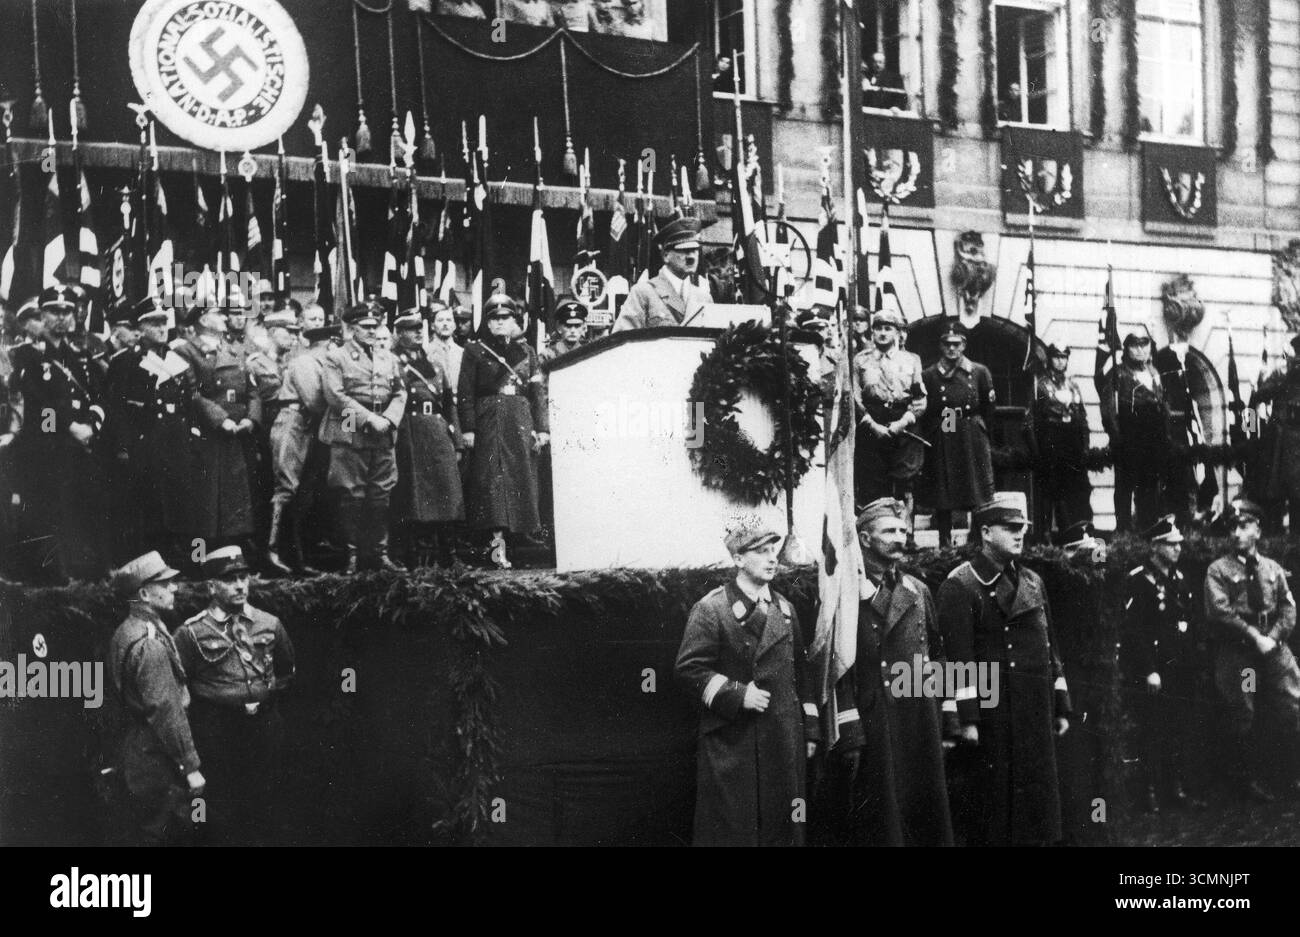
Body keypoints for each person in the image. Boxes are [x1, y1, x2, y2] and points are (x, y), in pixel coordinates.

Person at [674, 520, 820, 846]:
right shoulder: (712, 608)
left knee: (783, 828)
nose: (772, 558)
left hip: (783, 740)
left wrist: (809, 730)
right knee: (735, 830)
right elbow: (689, 669)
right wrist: (738, 695)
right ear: (738, 559)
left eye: (773, 551)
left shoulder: (785, 609)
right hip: (734, 743)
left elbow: (802, 673)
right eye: (761, 551)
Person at [936, 494, 1071, 845]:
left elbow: (1050, 647)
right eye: (1009, 528)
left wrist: (1060, 703)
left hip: (1035, 711)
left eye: (1021, 527)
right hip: (994, 717)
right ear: (985, 533)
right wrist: (967, 720)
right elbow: (957, 660)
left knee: (1036, 811)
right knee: (997, 813)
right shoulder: (961, 585)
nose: (1019, 534)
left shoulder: (1032, 581)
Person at [829, 498, 955, 846]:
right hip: (876, 720)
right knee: (882, 821)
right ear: (865, 538)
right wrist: (849, 729)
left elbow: (938, 655)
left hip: (920, 717)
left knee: (924, 815)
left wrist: (948, 716)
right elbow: (836, 668)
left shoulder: (917, 590)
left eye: (902, 530)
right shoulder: (845, 593)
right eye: (889, 531)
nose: (900, 537)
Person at [175, 546, 294, 845]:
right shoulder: (191, 633)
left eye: (243, 577)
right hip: (218, 729)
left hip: (264, 725)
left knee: (267, 798)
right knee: (223, 803)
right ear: (211, 587)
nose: (240, 585)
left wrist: (262, 700)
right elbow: (179, 685)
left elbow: (285, 672)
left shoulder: (270, 624)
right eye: (230, 580)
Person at [1204, 499, 1300, 802]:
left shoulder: (1272, 568)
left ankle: (1291, 776)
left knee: (1292, 703)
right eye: (1232, 527)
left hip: (1273, 648)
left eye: (1244, 526)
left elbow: (1288, 607)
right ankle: (1245, 783)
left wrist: (1273, 637)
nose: (1236, 533)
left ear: (1257, 530)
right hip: (1241, 653)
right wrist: (1254, 636)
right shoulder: (1218, 570)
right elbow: (1220, 611)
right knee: (1243, 711)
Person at [7, 284, 105, 581]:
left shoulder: (79, 357)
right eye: (54, 311)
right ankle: (52, 573)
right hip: (45, 445)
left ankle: (81, 569)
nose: (61, 318)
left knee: (79, 507)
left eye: (67, 311)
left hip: (78, 445)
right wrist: (70, 427)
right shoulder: (28, 355)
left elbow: (95, 396)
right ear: (43, 315)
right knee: (48, 510)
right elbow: (38, 402)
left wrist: (90, 425)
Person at [107, 550, 204, 845]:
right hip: (157, 754)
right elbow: (165, 710)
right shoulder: (150, 645)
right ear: (144, 594)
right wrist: (190, 767)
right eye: (165, 583)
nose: (174, 588)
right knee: (165, 830)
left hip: (137, 749)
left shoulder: (126, 631)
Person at [1119, 515, 1206, 813]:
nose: (1177, 549)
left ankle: (1175, 787)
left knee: (1177, 729)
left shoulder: (1180, 578)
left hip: (1180, 667)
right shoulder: (1139, 579)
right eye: (1170, 544)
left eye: (1178, 544)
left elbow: (1190, 622)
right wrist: (1149, 670)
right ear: (1155, 546)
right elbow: (1134, 631)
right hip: (1155, 670)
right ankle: (1150, 791)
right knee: (1152, 731)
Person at [102, 299, 196, 566]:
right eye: (154, 323)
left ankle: (176, 555)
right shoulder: (125, 362)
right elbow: (117, 408)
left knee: (177, 498)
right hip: (145, 442)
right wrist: (123, 446)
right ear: (140, 328)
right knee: (149, 502)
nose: (162, 328)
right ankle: (149, 558)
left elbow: (187, 402)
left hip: (175, 440)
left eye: (164, 322)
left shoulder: (176, 360)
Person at [458, 295, 548, 569]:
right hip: (490, 421)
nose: (499, 323)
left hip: (519, 421)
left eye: (505, 318)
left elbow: (537, 393)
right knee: (494, 485)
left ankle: (520, 547)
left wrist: (542, 428)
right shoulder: (475, 350)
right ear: (487, 323)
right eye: (494, 318)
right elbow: (465, 392)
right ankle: (497, 551)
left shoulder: (527, 351)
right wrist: (469, 429)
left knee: (520, 481)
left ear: (514, 321)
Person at [320, 301, 407, 572]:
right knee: (351, 492)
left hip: (383, 428)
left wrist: (389, 419)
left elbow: (400, 392)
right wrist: (369, 419)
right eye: (365, 326)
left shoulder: (388, 357)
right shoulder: (337, 357)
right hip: (349, 422)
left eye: (375, 326)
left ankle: (379, 553)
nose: (371, 331)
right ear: (352, 328)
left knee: (381, 493)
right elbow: (336, 396)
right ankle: (352, 555)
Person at [175, 307, 261, 559]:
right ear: (203, 319)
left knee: (236, 497)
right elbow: (191, 393)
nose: (224, 318)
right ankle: (201, 557)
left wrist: (251, 419)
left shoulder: (234, 349)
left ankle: (233, 553)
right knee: (208, 500)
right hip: (210, 435)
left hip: (239, 433)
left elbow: (252, 389)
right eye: (218, 314)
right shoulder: (186, 351)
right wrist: (220, 419)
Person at [392, 309, 464, 566]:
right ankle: (420, 555)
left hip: (438, 430)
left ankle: (448, 554)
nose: (418, 333)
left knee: (447, 490)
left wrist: (457, 441)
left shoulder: (434, 363)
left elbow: (449, 404)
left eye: (419, 329)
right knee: (416, 496)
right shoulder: (393, 363)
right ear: (399, 333)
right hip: (410, 432)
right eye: (411, 330)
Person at [267, 322, 336, 575]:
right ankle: (273, 551)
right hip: (294, 423)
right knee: (286, 487)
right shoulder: (305, 362)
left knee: (304, 491)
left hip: (311, 428)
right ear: (329, 343)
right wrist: (345, 420)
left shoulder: (322, 364)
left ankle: (297, 557)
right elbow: (315, 401)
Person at [920, 320, 995, 547]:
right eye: (947, 344)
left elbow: (989, 407)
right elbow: (927, 411)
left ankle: (977, 540)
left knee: (975, 484)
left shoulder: (979, 371)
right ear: (940, 345)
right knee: (946, 482)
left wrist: (978, 428)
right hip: (948, 422)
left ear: (964, 345)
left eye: (956, 344)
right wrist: (946, 430)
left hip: (971, 427)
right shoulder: (931, 374)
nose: (951, 348)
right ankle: (945, 542)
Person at [854, 307, 926, 533]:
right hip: (871, 423)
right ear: (872, 332)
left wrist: (902, 422)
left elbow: (920, 397)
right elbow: (854, 397)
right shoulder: (861, 360)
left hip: (903, 423)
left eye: (888, 328)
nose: (883, 333)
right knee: (872, 482)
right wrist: (872, 424)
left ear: (897, 332)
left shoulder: (911, 360)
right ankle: (876, 533)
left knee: (905, 482)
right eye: (878, 328)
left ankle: (906, 534)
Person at [1100, 332, 1170, 533]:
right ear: (1127, 349)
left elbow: (1163, 406)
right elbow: (1108, 411)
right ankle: (1124, 532)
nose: (1140, 350)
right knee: (1125, 488)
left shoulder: (1154, 373)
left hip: (1153, 439)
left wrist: (1165, 436)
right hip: (1129, 438)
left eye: (1144, 345)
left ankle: (1148, 529)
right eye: (1135, 346)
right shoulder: (1118, 373)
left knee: (1149, 486)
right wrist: (1117, 439)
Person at [1025, 344, 1093, 535]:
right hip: (1051, 443)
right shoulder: (1040, 385)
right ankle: (1045, 535)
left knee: (1075, 491)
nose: (1061, 361)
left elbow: (1082, 417)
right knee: (1050, 492)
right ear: (1049, 359)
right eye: (1057, 357)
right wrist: (1036, 450)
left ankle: (1074, 533)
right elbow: (1029, 420)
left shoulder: (1073, 386)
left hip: (1072, 445)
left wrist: (1085, 446)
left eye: (1064, 357)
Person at [611, 218, 715, 332]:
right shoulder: (643, 293)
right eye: (684, 250)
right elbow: (623, 336)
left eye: (695, 250)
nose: (691, 257)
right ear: (666, 256)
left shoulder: (704, 298)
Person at [425, 302, 465, 391]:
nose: (445, 324)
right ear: (432, 326)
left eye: (449, 320)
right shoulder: (426, 352)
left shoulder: (462, 353)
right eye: (440, 320)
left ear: (454, 326)